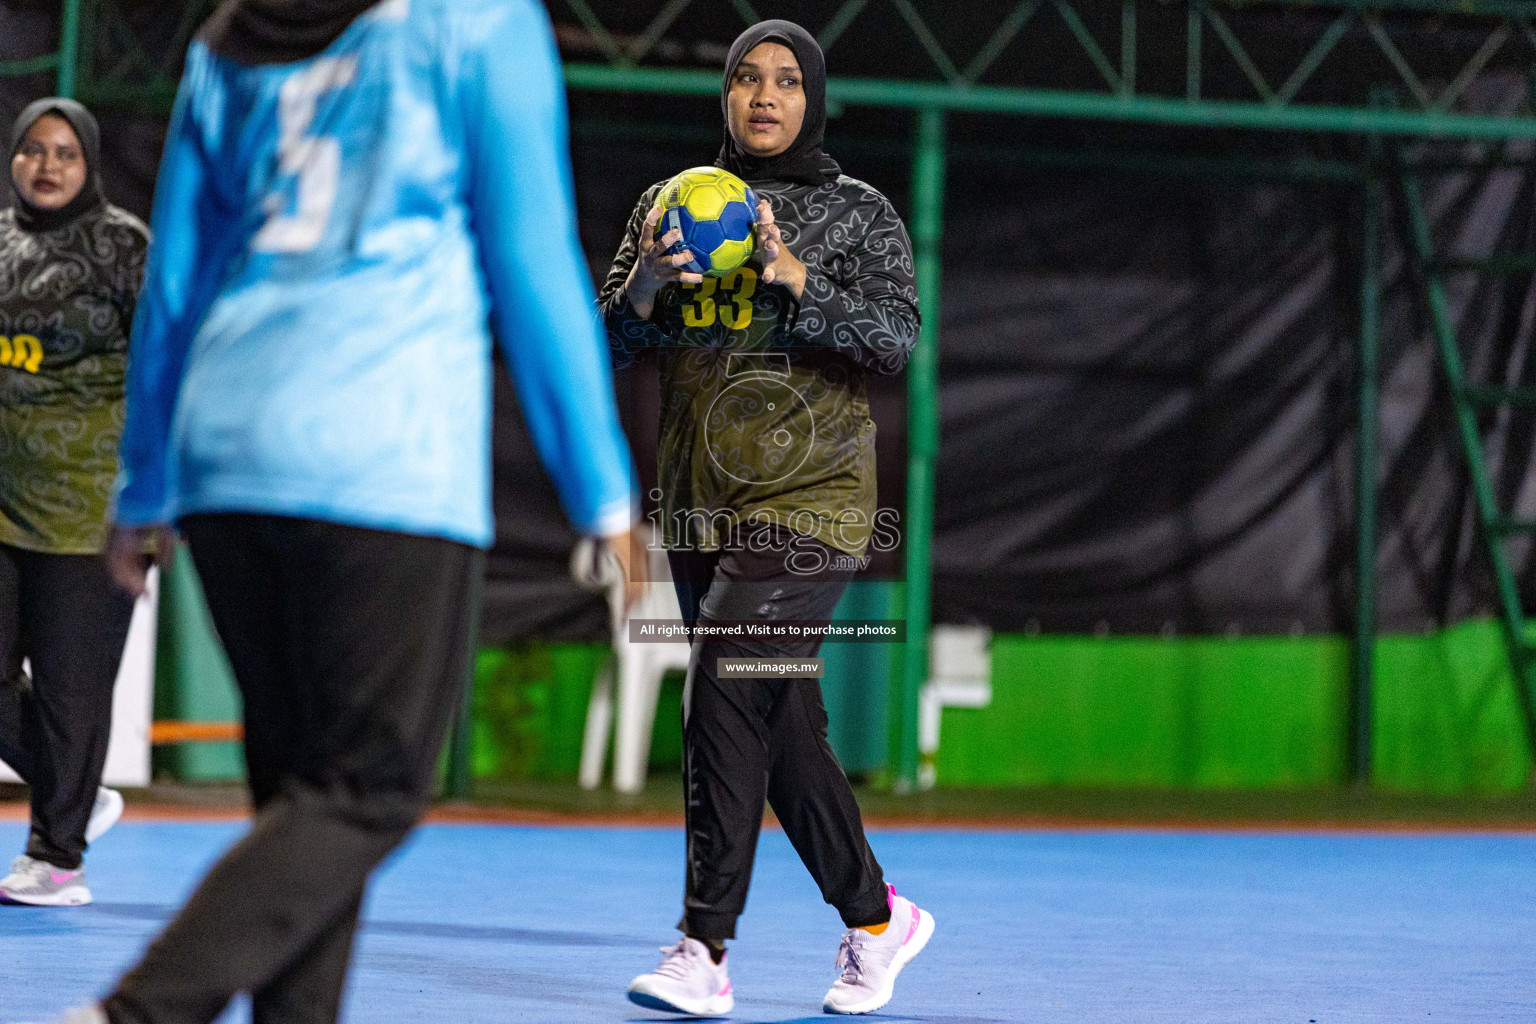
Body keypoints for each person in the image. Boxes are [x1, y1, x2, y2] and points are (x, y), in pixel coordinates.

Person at [31, 1, 637, 1022]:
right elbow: (532, 264)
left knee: (304, 809)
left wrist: (143, 485)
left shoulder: (235, 33)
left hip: (227, 454)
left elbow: (176, 281)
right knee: (371, 790)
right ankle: (137, 1011)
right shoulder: (478, 22)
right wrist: (603, 490)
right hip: (380, 452)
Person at [599, 19, 932, 1018]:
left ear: (812, 97)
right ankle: (879, 921)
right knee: (780, 721)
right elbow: (612, 332)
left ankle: (704, 946)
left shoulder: (858, 214)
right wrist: (652, 283)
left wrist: (798, 280)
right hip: (701, 506)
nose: (765, 96)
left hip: (815, 501)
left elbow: (896, 340)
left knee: (720, 684)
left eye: (788, 80)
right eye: (748, 76)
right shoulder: (673, 205)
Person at [0, 98, 146, 908]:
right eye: (32, 150)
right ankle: (77, 792)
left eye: (65, 154)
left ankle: (58, 857)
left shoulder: (124, 247)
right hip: (1, 504)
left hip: (90, 512)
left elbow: (166, 361)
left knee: (69, 693)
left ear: (89, 165)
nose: (47, 166)